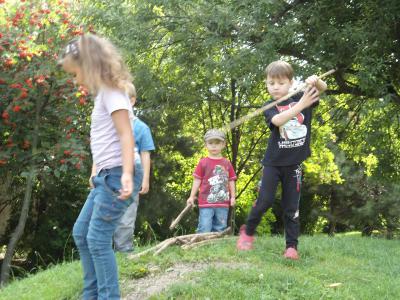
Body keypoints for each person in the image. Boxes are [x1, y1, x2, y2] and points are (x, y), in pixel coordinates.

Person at [59, 33, 135, 299]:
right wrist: (96, 170)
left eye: (75, 73)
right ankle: (90, 294)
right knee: (82, 233)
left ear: (89, 66)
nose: (75, 79)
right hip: (106, 174)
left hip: (117, 174)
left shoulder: (113, 93)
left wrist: (126, 173)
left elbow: (126, 134)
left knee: (98, 239)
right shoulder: (103, 94)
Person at [236, 60, 327, 260]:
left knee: (291, 207)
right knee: (265, 201)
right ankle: (248, 232)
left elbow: (323, 87)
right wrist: (302, 104)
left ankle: (291, 247)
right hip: (273, 163)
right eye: (271, 83)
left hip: (294, 164)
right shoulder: (270, 106)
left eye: (280, 83)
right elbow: (278, 121)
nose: (275, 87)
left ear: (291, 82)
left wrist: (316, 81)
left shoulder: (301, 94)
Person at [114, 83, 155, 253]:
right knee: (106, 215)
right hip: (109, 176)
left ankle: (123, 251)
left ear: (132, 101)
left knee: (126, 217)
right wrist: (94, 172)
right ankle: (105, 253)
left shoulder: (141, 128)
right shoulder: (110, 125)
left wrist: (145, 179)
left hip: (132, 177)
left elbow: (145, 154)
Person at [187, 129, 237, 233]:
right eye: (210, 143)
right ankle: (202, 246)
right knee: (204, 227)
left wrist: (233, 197)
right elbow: (197, 180)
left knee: (220, 228)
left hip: (223, 203)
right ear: (206, 145)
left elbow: (231, 181)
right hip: (206, 203)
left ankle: (216, 247)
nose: (214, 146)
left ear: (223, 144)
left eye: (217, 143)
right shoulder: (203, 163)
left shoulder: (226, 163)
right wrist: (191, 196)